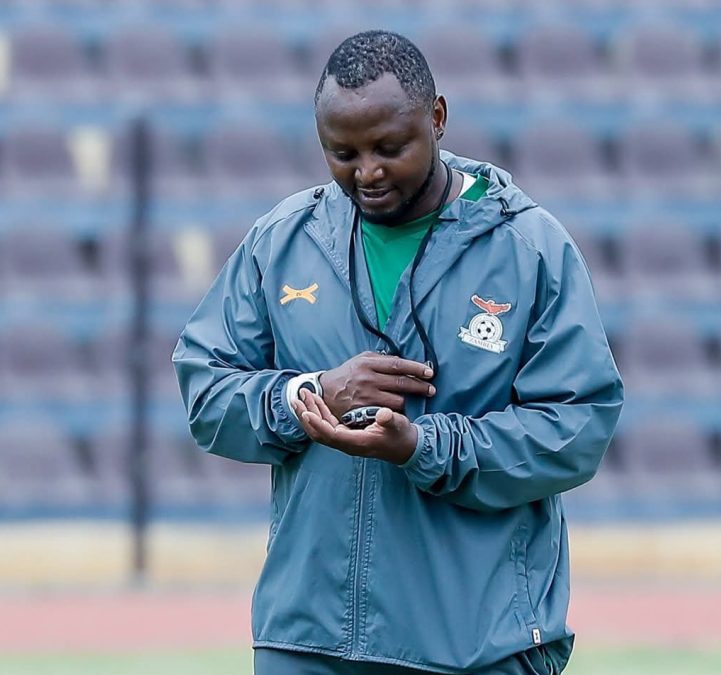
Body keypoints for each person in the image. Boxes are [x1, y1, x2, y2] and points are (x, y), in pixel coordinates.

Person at [173, 30, 624, 675]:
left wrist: (422, 447)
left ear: (437, 117)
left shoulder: (529, 250)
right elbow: (206, 391)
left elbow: (577, 427)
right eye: (342, 153)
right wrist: (308, 394)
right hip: (307, 641)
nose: (368, 173)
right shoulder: (282, 241)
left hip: (474, 646)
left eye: (390, 148)